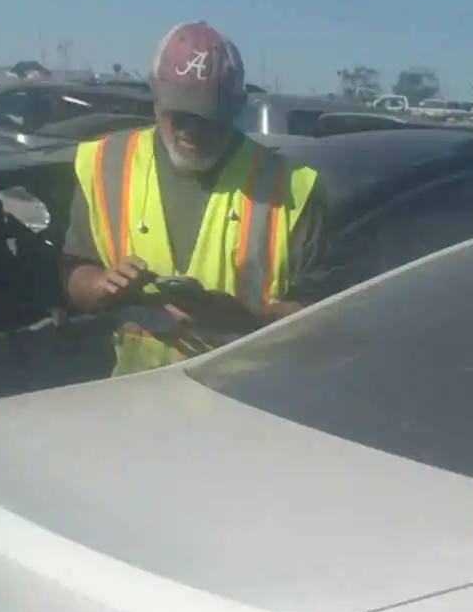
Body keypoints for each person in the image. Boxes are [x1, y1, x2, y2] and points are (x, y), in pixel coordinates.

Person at [61, 22, 328, 376]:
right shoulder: (104, 164)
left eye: (208, 117)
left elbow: (324, 318)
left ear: (237, 108)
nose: (192, 131)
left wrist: (244, 319)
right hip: (134, 399)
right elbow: (75, 270)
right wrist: (98, 285)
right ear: (155, 98)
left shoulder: (292, 188)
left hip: (245, 401)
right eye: (180, 114)